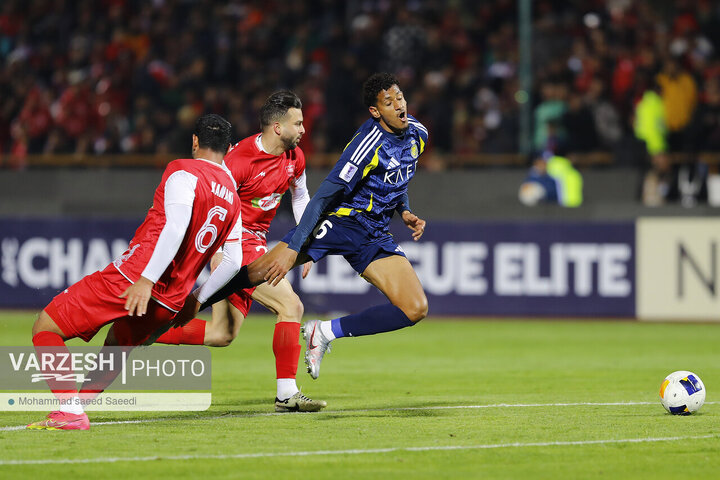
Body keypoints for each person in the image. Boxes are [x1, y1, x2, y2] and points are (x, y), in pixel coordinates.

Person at [174, 72, 429, 380]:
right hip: (339, 222)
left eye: (399, 97)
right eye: (389, 102)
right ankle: (188, 306)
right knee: (257, 276)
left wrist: (404, 210)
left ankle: (323, 332)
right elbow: (322, 198)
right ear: (376, 112)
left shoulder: (418, 134)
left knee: (415, 307)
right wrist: (295, 246)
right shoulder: (366, 144)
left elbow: (398, 175)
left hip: (374, 234)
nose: (399, 105)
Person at [27, 114, 244, 430]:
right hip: (172, 300)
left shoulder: (183, 171)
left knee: (45, 327)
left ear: (195, 142)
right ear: (227, 148)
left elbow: (176, 226)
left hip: (134, 277)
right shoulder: (234, 199)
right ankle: (75, 410)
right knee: (117, 346)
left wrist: (146, 279)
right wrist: (197, 300)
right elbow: (234, 262)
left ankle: (70, 410)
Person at [155, 91, 326, 412]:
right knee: (291, 306)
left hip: (256, 244)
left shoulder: (295, 158)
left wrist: (306, 242)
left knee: (222, 333)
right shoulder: (239, 162)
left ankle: (145, 332)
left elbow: (301, 196)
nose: (304, 130)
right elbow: (212, 204)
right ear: (277, 127)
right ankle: (286, 394)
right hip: (231, 243)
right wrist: (217, 253)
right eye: (298, 123)